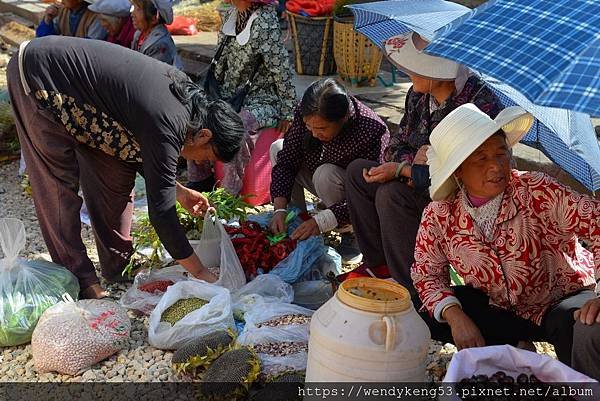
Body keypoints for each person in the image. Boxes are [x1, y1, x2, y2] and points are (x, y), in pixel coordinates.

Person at [7, 36, 245, 299]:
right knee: (58, 189)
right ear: (204, 136)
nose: (201, 163)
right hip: (41, 78)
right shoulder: (169, 121)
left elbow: (149, 160)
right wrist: (200, 272)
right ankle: (82, 280)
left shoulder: (186, 110)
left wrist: (180, 192)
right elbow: (162, 213)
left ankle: (119, 265)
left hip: (94, 110)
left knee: (115, 177)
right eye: (208, 157)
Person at [412, 103, 600, 380]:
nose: (497, 166)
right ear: (458, 171)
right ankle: (517, 349)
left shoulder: (537, 190)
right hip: (501, 310)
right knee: (431, 311)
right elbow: (426, 274)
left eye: (502, 153)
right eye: (481, 159)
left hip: (560, 300)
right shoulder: (440, 214)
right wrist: (455, 316)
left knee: (585, 324)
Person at [345, 32, 502, 303]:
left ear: (439, 73)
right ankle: (379, 264)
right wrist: (408, 164)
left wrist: (407, 171)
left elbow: (465, 175)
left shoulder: (477, 102)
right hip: (419, 181)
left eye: (416, 68)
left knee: (390, 195)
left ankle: (414, 288)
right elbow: (393, 147)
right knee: (358, 172)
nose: (408, 73)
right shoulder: (418, 97)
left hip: (457, 198)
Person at [269, 78, 389, 263]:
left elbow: (371, 193)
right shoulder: (306, 112)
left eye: (322, 128)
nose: (315, 134)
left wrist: (323, 221)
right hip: (317, 172)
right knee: (278, 148)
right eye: (310, 127)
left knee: (325, 174)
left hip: (353, 196)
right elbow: (287, 161)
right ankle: (296, 221)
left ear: (343, 119)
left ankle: (351, 232)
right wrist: (279, 210)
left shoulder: (371, 130)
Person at [187, 0, 296, 194]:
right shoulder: (231, 15)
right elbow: (220, 61)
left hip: (261, 99)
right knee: (197, 116)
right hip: (229, 96)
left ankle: (229, 194)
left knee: (236, 128)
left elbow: (281, 70)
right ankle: (200, 181)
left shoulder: (265, 21)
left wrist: (288, 111)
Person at [130, 0, 182, 68]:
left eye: (138, 9)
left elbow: (152, 74)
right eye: (134, 8)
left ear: (154, 18)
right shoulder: (139, 34)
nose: (132, 14)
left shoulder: (160, 44)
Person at [36, 0, 107, 39]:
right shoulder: (62, 10)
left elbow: (91, 46)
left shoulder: (96, 16)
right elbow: (43, 38)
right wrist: (48, 19)